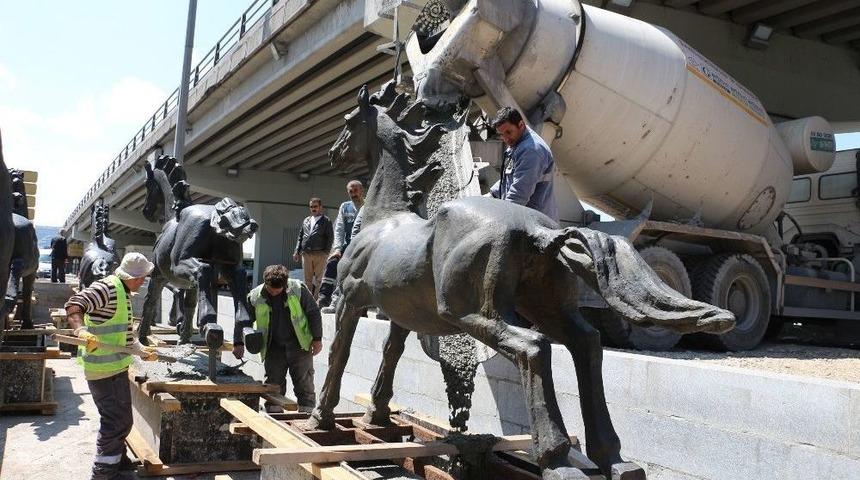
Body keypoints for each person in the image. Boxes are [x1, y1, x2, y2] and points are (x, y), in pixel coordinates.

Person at [64, 252, 159, 480]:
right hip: (103, 370)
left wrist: (139, 349)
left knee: (122, 420)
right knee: (115, 422)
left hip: (116, 368)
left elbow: (123, 334)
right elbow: (74, 304)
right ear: (134, 277)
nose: (144, 281)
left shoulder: (122, 292)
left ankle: (119, 462)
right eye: (143, 277)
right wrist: (81, 330)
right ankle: (104, 472)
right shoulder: (106, 289)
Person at [233, 264, 322, 413]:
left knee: (305, 386)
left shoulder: (298, 289)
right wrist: (238, 342)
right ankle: (274, 418)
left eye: (278, 290)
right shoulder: (255, 296)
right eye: (271, 289)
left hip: (299, 346)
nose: (274, 292)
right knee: (273, 387)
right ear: (265, 282)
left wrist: (317, 339)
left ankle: (306, 418)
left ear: (285, 284)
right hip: (273, 348)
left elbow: (313, 313)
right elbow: (243, 320)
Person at [488, 107, 559, 222]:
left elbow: (519, 194)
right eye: (501, 134)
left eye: (508, 132)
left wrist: (502, 220)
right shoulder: (517, 144)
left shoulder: (531, 150)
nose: (505, 139)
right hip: (525, 220)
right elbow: (508, 181)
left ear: (521, 125)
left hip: (537, 226)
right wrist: (489, 196)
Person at [318, 180, 364, 311]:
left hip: (364, 246)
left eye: (356, 191)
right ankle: (325, 299)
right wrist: (337, 248)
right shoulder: (345, 206)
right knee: (333, 263)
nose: (353, 194)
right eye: (350, 191)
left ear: (362, 190)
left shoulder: (369, 205)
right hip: (347, 246)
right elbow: (339, 228)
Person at [292, 197, 333, 299]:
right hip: (306, 254)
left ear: (320, 207)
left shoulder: (326, 221)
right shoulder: (306, 220)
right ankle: (308, 300)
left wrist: (326, 252)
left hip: (320, 254)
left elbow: (330, 237)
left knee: (320, 280)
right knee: (307, 280)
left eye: (315, 206)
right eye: (311, 207)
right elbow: (300, 236)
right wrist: (296, 251)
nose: (313, 209)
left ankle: (317, 301)